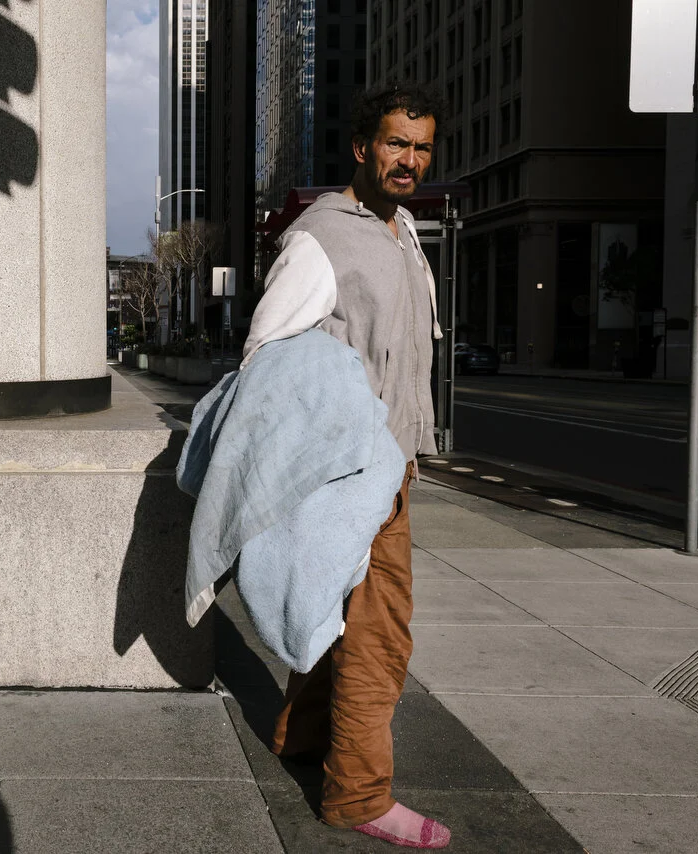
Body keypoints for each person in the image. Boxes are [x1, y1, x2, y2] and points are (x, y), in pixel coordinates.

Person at [241, 83, 451, 849]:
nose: (410, 159)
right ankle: (358, 794)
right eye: (397, 143)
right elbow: (265, 351)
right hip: (348, 474)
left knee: (340, 617)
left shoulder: (402, 230)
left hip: (386, 468)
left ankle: (299, 739)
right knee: (381, 635)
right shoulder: (322, 236)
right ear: (362, 147)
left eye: (422, 146)